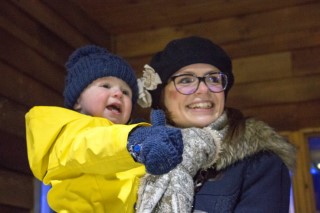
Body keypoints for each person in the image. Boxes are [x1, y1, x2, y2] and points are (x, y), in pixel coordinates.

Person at [135, 36, 296, 212]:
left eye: (213, 79)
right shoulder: (134, 160)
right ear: (161, 97)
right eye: (186, 80)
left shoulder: (260, 164)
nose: (204, 89)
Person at [25, 45, 185, 212]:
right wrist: (135, 143)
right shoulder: (63, 128)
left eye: (126, 92)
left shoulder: (127, 145)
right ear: (78, 100)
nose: (118, 93)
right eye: (106, 86)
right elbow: (89, 147)